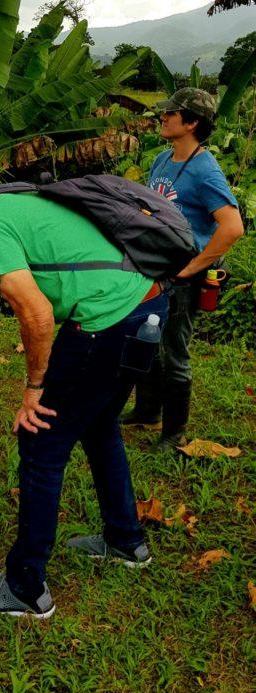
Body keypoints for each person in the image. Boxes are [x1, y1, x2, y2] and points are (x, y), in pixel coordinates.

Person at [0, 144, 168, 619]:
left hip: (105, 323)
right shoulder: (15, 197)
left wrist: (35, 387)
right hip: (148, 306)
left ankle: (25, 588)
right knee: (98, 426)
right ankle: (125, 540)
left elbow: (35, 311)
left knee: (40, 443)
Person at [122, 88, 243, 448]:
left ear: (191, 123)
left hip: (182, 277)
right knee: (146, 338)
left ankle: (173, 432)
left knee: (174, 349)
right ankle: (147, 411)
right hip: (155, 268)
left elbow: (232, 226)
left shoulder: (205, 170)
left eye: (171, 113)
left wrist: (194, 267)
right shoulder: (162, 160)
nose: (164, 117)